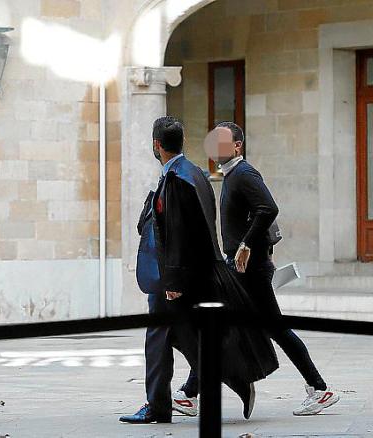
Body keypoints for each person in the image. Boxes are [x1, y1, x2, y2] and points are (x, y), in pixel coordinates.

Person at [173, 122, 340, 417]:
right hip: (244, 268)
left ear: (237, 146)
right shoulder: (232, 175)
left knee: (259, 328)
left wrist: (246, 245)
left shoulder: (244, 174)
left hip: (250, 270)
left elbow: (268, 208)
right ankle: (190, 393)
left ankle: (319, 388)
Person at [119, 117, 278, 424]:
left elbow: (179, 233)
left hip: (176, 277)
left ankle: (162, 404)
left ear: (156, 145)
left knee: (162, 336)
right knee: (181, 335)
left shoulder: (178, 178)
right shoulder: (193, 173)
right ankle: (231, 378)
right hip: (193, 274)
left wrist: (174, 280)